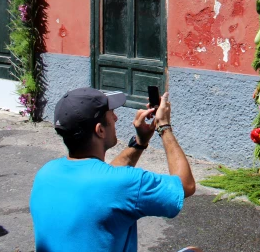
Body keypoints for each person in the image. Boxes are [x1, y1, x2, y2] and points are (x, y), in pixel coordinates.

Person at [30, 88, 196, 252]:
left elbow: (106, 181)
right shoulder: (127, 183)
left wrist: (140, 142)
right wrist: (164, 127)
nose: (116, 118)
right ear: (100, 130)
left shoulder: (45, 173)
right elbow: (185, 185)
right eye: (111, 114)